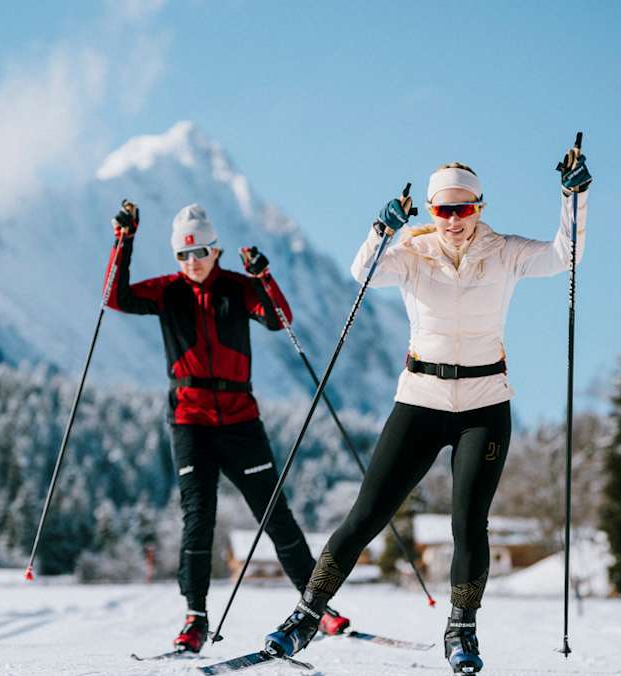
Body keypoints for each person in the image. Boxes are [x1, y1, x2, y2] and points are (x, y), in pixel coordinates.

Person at [262, 144, 592, 673]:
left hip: (485, 404)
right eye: (443, 209)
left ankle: (461, 630)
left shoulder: (504, 251)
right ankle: (306, 615)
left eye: (463, 208)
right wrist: (382, 227)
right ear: (431, 211)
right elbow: (362, 271)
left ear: (479, 207)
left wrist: (573, 195)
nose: (454, 220)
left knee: (469, 522)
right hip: (420, 399)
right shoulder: (412, 254)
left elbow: (564, 256)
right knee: (368, 513)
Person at [103, 202, 352, 653]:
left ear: (216, 250)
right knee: (198, 519)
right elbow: (114, 298)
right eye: (183, 255)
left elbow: (279, 319)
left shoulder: (238, 288)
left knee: (275, 515)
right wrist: (125, 241)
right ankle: (195, 616)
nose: (192, 262)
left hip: (240, 419)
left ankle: (318, 607)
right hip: (189, 420)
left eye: (199, 252)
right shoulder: (167, 292)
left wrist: (262, 276)